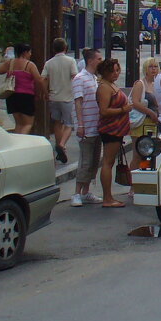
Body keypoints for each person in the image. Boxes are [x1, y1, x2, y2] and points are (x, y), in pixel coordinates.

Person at [96, 58, 133, 208]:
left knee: (108, 162)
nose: (116, 74)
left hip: (117, 129)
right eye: (113, 71)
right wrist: (123, 110)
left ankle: (109, 197)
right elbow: (104, 111)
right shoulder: (104, 87)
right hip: (111, 129)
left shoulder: (110, 85)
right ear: (106, 72)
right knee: (107, 163)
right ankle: (107, 198)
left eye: (118, 70)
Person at [72, 49, 103, 206]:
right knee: (85, 161)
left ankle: (86, 191)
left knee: (94, 160)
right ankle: (76, 193)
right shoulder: (80, 78)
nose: (100, 61)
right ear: (90, 60)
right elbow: (78, 102)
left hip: (97, 126)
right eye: (98, 58)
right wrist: (81, 124)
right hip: (87, 126)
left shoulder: (95, 78)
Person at [42, 38, 78, 163]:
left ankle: (60, 145)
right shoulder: (71, 61)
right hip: (67, 97)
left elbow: (43, 79)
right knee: (69, 124)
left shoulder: (49, 63)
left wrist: (46, 93)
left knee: (57, 123)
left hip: (54, 97)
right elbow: (74, 77)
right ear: (65, 48)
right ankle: (62, 145)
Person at [0, 43, 45, 134]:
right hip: (26, 96)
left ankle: (17, 141)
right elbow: (38, 80)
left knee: (18, 124)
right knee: (28, 124)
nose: (30, 54)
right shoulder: (29, 65)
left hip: (11, 95)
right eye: (29, 52)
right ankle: (22, 143)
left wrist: (10, 69)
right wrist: (40, 93)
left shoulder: (10, 63)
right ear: (25, 52)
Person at [130, 57, 161, 169]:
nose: (153, 69)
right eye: (150, 67)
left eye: (155, 66)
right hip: (140, 123)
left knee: (148, 155)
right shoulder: (140, 84)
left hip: (152, 125)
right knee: (138, 154)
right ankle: (133, 184)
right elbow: (135, 102)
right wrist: (150, 112)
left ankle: (143, 177)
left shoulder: (156, 85)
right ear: (145, 69)